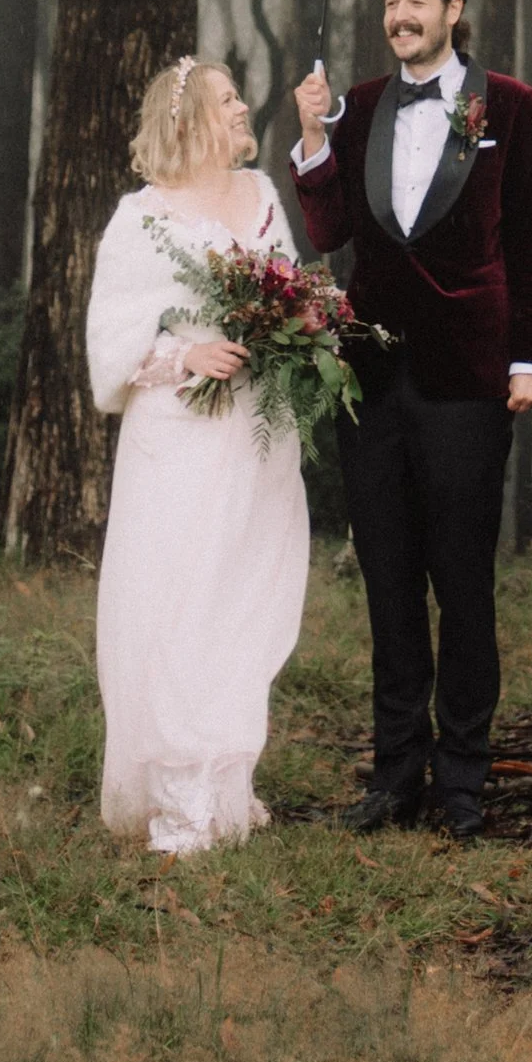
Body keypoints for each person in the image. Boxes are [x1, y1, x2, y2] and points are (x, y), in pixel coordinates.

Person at [291, 0, 532, 839]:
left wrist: (531, 358)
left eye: (415, 0)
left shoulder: (505, 105)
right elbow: (330, 230)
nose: (399, 15)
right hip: (370, 376)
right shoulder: (360, 105)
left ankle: (464, 779)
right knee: (389, 580)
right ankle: (396, 774)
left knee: (463, 580)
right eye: (389, 2)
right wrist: (316, 138)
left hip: (469, 378)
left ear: (454, 9)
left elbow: (530, 238)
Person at [84, 56, 310, 856]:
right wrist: (188, 356)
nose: (244, 107)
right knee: (179, 602)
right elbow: (110, 344)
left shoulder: (263, 195)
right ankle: (180, 801)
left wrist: (295, 327)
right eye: (228, 99)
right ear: (187, 120)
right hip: (178, 437)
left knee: (242, 600)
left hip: (256, 434)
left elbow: (289, 287)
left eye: (240, 96)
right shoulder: (141, 217)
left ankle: (225, 781)